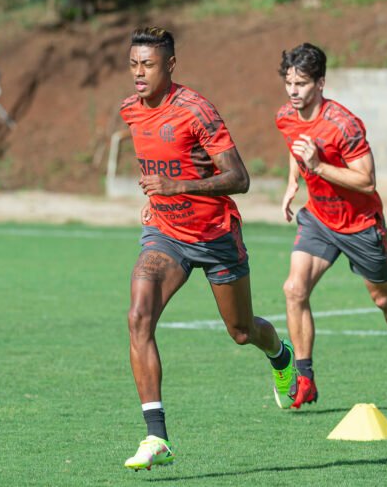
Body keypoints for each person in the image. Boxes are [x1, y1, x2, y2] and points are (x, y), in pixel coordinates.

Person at [119, 27, 295, 470]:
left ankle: (280, 354)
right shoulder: (130, 110)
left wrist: (176, 186)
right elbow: (158, 163)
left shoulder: (196, 111)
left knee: (241, 332)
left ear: (170, 66)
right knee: (139, 316)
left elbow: (240, 178)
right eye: (134, 64)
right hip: (166, 234)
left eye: (149, 65)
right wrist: (156, 199)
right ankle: (156, 437)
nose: (139, 73)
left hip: (216, 237)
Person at [274, 43, 387, 411]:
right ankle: (305, 378)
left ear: (321, 83)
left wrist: (317, 167)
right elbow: (298, 148)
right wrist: (294, 181)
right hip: (319, 218)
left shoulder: (344, 124)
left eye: (303, 84)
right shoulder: (285, 116)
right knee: (294, 289)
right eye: (290, 83)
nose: (294, 91)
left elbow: (367, 181)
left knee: (384, 298)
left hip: (360, 224)